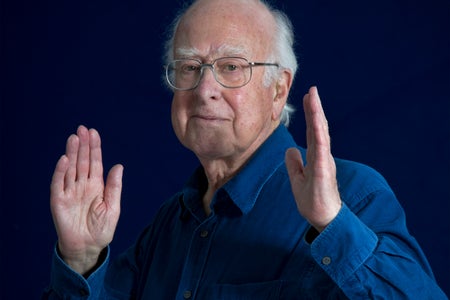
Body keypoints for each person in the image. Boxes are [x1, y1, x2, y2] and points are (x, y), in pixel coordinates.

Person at [42, 0, 447, 299]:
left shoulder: (354, 194)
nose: (204, 90)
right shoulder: (169, 225)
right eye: (189, 67)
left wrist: (333, 224)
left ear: (279, 90)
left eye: (231, 67)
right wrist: (81, 259)